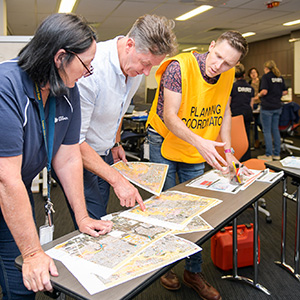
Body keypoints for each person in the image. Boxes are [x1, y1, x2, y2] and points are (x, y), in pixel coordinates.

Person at [0, 13, 113, 299]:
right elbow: (6, 179)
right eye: (86, 65)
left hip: (17, 187)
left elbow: (68, 156)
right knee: (25, 265)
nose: (88, 73)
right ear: (61, 57)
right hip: (7, 183)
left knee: (22, 278)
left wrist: (82, 216)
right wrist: (32, 252)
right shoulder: (6, 86)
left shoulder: (66, 87)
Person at [147, 31, 249, 300]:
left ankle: (193, 272)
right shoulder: (178, 68)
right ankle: (165, 267)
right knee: (166, 208)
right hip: (164, 139)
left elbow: (224, 111)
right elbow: (169, 116)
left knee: (196, 211)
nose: (219, 66)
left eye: (228, 63)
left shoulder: (227, 75)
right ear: (211, 46)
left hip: (195, 140)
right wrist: (202, 144)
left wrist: (228, 151)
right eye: (217, 57)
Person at [77, 14, 178, 221]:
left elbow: (119, 109)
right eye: (145, 63)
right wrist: (117, 180)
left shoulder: (134, 69)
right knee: (94, 221)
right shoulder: (92, 68)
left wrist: (115, 143)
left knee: (101, 216)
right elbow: (74, 141)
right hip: (79, 157)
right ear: (129, 44)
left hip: (105, 154)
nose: (147, 73)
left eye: (153, 66)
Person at [257, 60, 288, 161]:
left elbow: (264, 91)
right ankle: (276, 154)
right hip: (277, 107)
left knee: (266, 131)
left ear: (266, 68)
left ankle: (268, 155)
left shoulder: (266, 77)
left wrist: (258, 95)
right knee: (275, 129)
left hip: (267, 107)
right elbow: (285, 92)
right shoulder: (279, 77)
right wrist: (276, 93)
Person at [230, 63, 254, 161]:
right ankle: (246, 157)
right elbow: (251, 104)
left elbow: (228, 102)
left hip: (236, 114)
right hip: (247, 113)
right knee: (246, 135)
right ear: (244, 75)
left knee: (236, 136)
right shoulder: (250, 87)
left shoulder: (233, 87)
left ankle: (236, 156)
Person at [248, 67, 262, 148]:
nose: (253, 74)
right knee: (254, 124)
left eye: (254, 72)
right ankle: (256, 140)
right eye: (251, 73)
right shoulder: (250, 82)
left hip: (260, 103)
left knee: (260, 122)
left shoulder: (261, 81)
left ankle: (263, 140)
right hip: (253, 104)